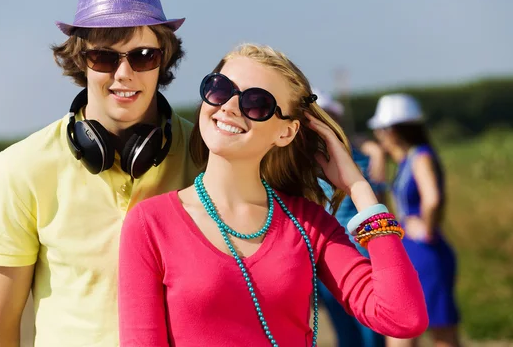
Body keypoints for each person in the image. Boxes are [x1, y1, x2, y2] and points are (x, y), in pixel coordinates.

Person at [118, 44, 428, 346]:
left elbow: (402, 317)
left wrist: (358, 187)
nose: (229, 106)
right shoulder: (150, 224)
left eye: (255, 103)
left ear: (286, 132)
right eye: (220, 88)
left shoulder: (308, 225)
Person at [0, 0, 199, 346]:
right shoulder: (19, 170)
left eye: (143, 55)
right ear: (80, 59)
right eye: (105, 58)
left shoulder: (208, 157)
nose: (124, 73)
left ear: (164, 58)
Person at [368, 94, 461, 347]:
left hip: (424, 252)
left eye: (380, 130)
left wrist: (426, 229)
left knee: (439, 333)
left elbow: (431, 198)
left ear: (393, 130)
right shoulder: (407, 159)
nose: (378, 136)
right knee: (406, 328)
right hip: (412, 250)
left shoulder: (420, 157)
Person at [313, 90, 386, 347]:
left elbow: (380, 206)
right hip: (327, 260)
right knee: (345, 335)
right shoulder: (303, 163)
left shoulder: (363, 158)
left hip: (364, 256)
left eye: (326, 116)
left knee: (371, 331)